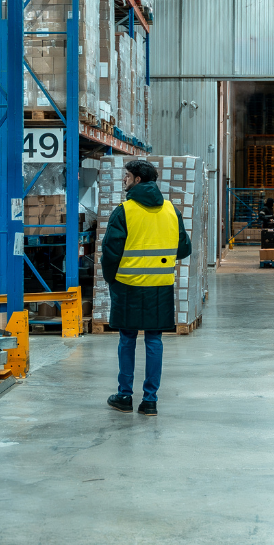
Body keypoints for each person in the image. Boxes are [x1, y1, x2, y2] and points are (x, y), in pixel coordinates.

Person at [100, 159, 192, 415]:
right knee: (154, 340)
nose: (124, 180)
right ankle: (150, 400)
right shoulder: (172, 211)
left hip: (128, 285)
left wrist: (112, 279)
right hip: (160, 286)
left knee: (127, 339)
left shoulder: (124, 211)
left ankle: (124, 396)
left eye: (127, 176)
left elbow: (110, 253)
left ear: (138, 180)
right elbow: (184, 248)